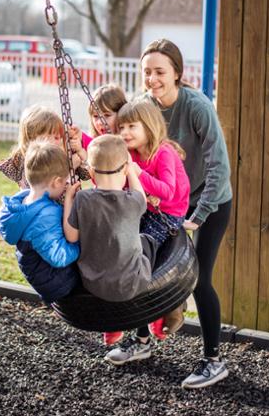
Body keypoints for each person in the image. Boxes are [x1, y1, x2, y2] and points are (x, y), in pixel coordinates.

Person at [139, 39, 232, 389]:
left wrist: (201, 213)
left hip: (211, 200)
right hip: (168, 200)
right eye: (147, 71)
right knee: (144, 263)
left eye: (160, 71)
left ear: (177, 73)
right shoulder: (144, 107)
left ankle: (213, 360)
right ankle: (142, 340)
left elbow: (218, 165)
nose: (152, 78)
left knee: (199, 279)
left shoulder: (196, 107)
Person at [63, 134, 163, 365]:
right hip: (131, 284)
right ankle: (162, 312)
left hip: (93, 285)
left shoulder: (84, 199)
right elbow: (140, 193)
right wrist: (131, 172)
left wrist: (69, 198)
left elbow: (71, 235)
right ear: (125, 168)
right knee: (147, 239)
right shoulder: (133, 201)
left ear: (91, 170)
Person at [117, 99, 190, 338]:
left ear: (148, 127)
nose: (124, 132)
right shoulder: (133, 153)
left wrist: (138, 173)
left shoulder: (164, 153)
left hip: (168, 214)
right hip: (149, 208)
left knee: (144, 250)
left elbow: (168, 191)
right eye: (121, 128)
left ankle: (173, 305)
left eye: (131, 126)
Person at [68, 84, 130, 346]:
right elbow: (90, 145)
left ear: (122, 113)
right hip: (102, 212)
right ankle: (108, 320)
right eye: (95, 116)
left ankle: (120, 320)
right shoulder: (96, 143)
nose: (100, 121)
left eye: (107, 115)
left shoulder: (126, 141)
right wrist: (74, 139)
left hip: (125, 211)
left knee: (117, 263)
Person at [0, 141, 80, 303]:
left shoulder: (21, 203)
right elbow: (59, 257)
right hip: (55, 282)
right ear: (56, 182)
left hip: (35, 272)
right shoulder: (47, 215)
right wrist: (80, 248)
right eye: (64, 182)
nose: (65, 187)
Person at [0, 104, 89, 189]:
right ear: (30, 139)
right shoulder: (31, 162)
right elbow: (45, 192)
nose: (55, 142)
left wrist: (80, 152)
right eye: (48, 138)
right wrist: (69, 167)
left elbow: (88, 174)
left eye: (57, 137)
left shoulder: (62, 153)